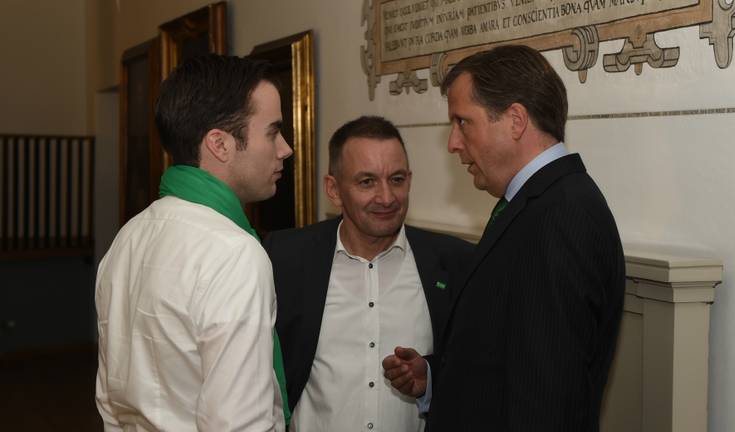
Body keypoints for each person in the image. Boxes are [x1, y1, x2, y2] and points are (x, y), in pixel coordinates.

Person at [382, 45, 625, 431]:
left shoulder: (561, 215)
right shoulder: (535, 205)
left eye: (463, 122)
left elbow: (546, 399)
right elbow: (505, 357)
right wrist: (437, 377)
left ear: (515, 120)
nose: (453, 143)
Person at [95, 55, 292, 431]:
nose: (285, 148)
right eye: (272, 132)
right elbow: (239, 423)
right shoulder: (234, 254)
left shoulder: (129, 236)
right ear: (220, 144)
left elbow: (110, 398)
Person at [263, 116, 473, 432]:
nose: (386, 198)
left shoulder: (453, 263)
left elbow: (476, 372)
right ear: (333, 189)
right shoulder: (284, 258)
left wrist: (429, 378)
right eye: (367, 182)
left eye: (397, 179)